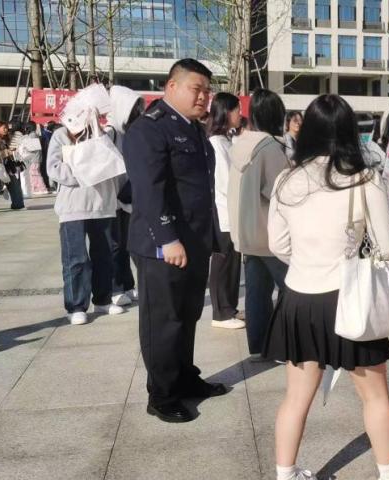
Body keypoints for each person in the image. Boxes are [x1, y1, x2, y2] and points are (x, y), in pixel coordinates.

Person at [265, 94, 389, 480]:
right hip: (350, 298)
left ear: (308, 130)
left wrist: (308, 261)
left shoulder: (287, 179)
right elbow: (387, 247)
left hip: (299, 298)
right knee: (374, 395)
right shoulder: (364, 178)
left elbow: (277, 244)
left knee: (295, 398)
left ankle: (286, 474)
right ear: (350, 131)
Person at [123, 59, 229, 423]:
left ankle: (184, 377)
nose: (203, 97)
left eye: (207, 91)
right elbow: (149, 191)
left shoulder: (194, 129)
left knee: (187, 314)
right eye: (196, 89)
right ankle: (162, 394)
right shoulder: (149, 129)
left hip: (193, 241)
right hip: (163, 245)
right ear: (172, 86)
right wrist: (168, 239)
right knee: (164, 320)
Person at [47, 95, 127, 326]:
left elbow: (114, 164)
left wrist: (97, 132)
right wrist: (84, 173)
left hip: (103, 205)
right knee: (76, 259)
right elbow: (53, 168)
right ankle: (76, 306)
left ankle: (103, 299)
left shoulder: (104, 135)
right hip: (73, 207)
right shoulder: (60, 136)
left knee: (105, 256)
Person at [228, 88, 291, 356]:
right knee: (293, 289)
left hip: (246, 233)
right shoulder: (271, 148)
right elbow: (282, 193)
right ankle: (284, 345)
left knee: (256, 293)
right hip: (270, 234)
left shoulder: (240, 144)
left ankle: (258, 347)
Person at [206, 92, 246, 330]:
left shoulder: (226, 140)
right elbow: (224, 182)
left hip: (232, 209)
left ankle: (229, 307)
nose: (240, 114)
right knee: (222, 262)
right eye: (237, 109)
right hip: (223, 210)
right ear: (226, 112)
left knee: (233, 261)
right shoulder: (216, 143)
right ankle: (220, 313)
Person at [105, 85, 145, 307]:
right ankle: (115, 287)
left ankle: (127, 285)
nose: (138, 113)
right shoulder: (110, 132)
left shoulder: (126, 132)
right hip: (113, 197)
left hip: (125, 196)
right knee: (114, 245)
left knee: (126, 243)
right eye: (134, 109)